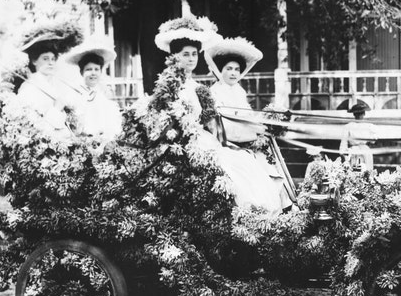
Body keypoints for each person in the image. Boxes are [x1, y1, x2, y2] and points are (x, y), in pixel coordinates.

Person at [153, 17, 286, 214]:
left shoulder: (199, 88)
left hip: (207, 139)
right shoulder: (170, 84)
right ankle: (243, 213)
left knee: (245, 162)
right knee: (233, 166)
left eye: (193, 54)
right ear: (174, 57)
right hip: (181, 141)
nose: (191, 59)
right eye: (185, 54)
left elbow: (213, 122)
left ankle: (261, 213)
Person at [13, 28, 82, 140]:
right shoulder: (29, 88)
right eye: (45, 59)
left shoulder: (56, 84)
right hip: (42, 144)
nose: (50, 63)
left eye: (53, 59)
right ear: (34, 61)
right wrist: (56, 109)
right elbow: (32, 128)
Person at [204, 37, 263, 144]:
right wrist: (251, 132)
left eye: (237, 70)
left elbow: (248, 115)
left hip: (245, 139)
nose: (233, 73)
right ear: (220, 71)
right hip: (223, 141)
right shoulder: (214, 92)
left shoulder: (240, 91)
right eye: (229, 69)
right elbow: (218, 124)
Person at [63, 38, 122, 141]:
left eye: (96, 69)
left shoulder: (103, 95)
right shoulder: (73, 95)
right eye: (89, 70)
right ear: (82, 72)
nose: (93, 73)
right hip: (81, 143)